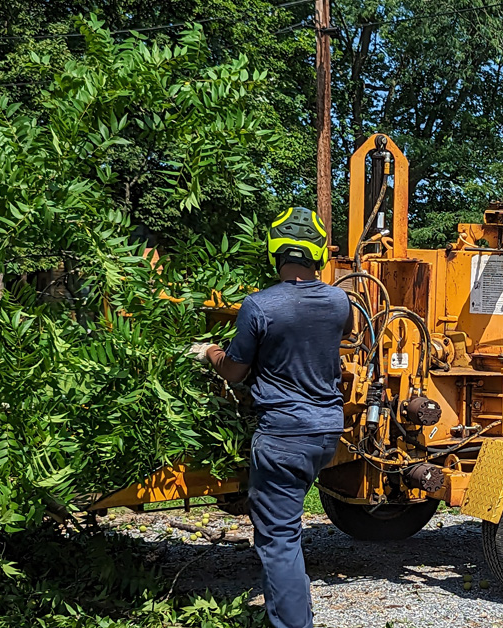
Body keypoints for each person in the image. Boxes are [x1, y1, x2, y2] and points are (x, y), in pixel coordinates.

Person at [190, 206, 351, 628]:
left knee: (279, 537)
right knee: (288, 529)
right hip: (326, 432)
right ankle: (294, 612)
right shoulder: (339, 301)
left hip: (283, 434)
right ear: (319, 254)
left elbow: (235, 370)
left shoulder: (259, 306)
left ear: (275, 252)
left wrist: (209, 352)